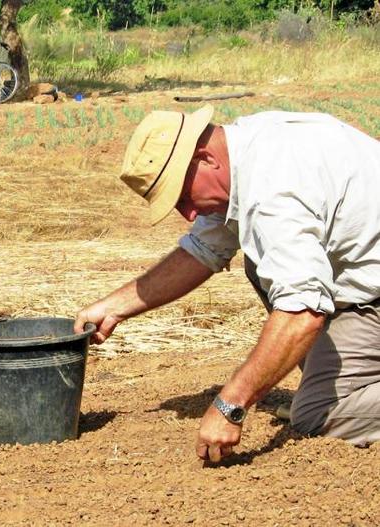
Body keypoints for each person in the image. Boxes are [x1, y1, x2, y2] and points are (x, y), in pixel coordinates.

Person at [75, 105, 380, 463]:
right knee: (265, 263)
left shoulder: (273, 195)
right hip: (367, 284)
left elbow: (303, 313)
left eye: (183, 197)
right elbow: (204, 248)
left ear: (205, 159)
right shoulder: (250, 143)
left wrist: (230, 405)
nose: (187, 214)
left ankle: (338, 396)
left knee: (317, 413)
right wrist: (114, 307)